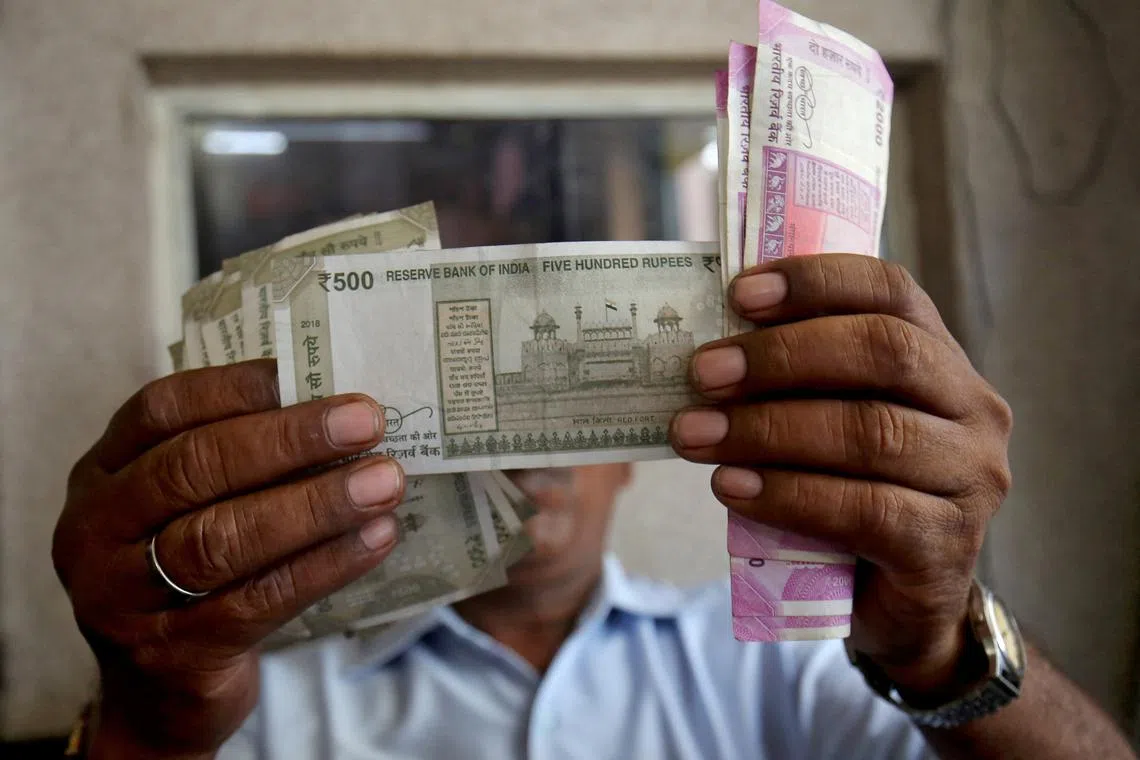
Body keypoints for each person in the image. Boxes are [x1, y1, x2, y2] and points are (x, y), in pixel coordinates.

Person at [53, 255, 1135, 759]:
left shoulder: (777, 661)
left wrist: (943, 645)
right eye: (499, 429)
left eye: (563, 430)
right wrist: (147, 734)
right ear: (414, 450)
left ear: (629, 458)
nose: (532, 464)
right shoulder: (261, 709)